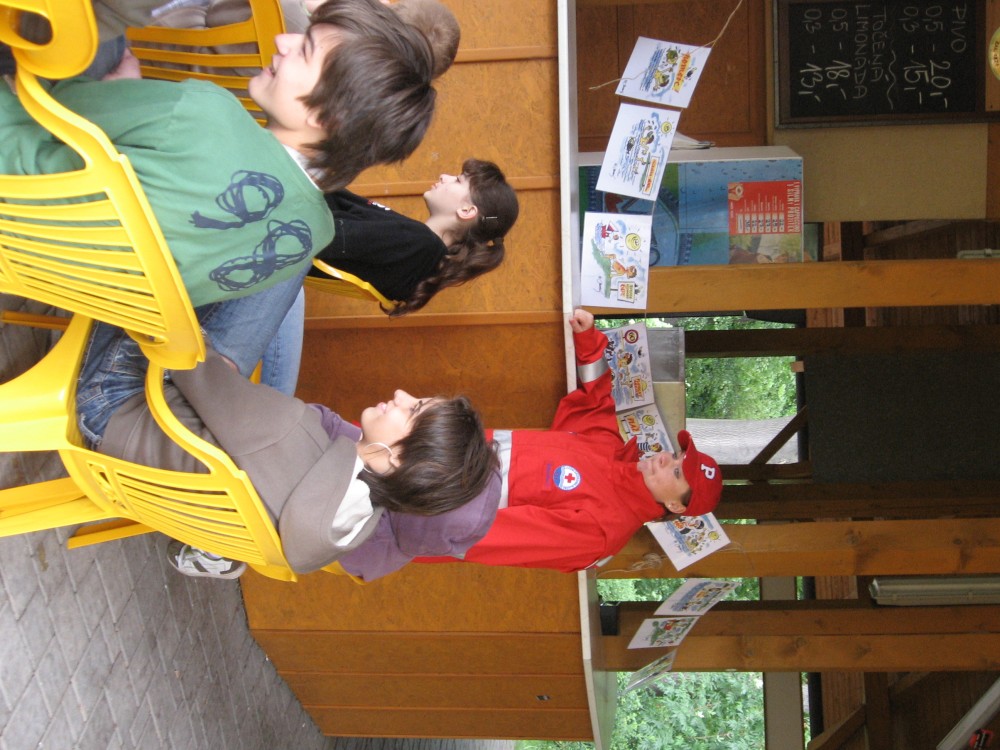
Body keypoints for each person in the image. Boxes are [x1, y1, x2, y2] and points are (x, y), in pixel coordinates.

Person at [0, 0, 437, 307]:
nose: (283, 40)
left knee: (101, 41)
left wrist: (122, 93)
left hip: (13, 181)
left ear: (327, 116)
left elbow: (60, 105)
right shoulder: (312, 235)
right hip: (49, 276)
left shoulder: (207, 112)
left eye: (303, 50)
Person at [81, 291, 499, 577]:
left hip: (114, 408)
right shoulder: (348, 531)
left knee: (189, 272)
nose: (401, 395)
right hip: (138, 475)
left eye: (413, 410)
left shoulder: (287, 432)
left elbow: (189, 362)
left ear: (396, 459)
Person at [330, 308, 724, 582]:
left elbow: (483, 538)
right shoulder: (610, 448)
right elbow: (597, 398)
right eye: (676, 455)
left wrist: (390, 516)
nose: (666, 459)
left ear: (676, 506)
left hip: (398, 508)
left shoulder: (602, 532)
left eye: (676, 472)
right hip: (406, 454)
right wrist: (589, 341)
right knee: (320, 448)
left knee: (312, 492)